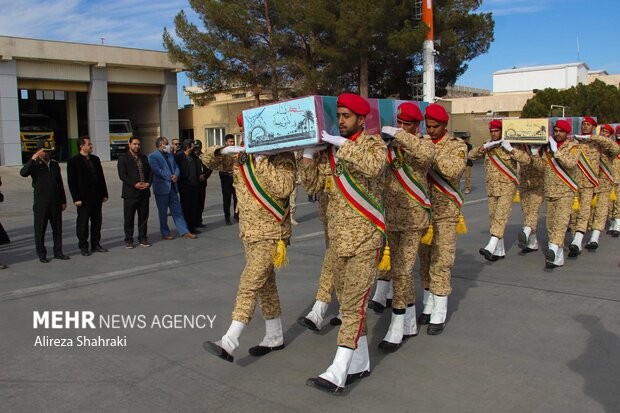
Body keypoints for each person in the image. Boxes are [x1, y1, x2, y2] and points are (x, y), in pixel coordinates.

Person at [301, 93, 387, 394]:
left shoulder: (373, 144)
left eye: (347, 116)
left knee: (351, 307)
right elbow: (311, 187)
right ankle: (360, 361)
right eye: (338, 116)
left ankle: (337, 370)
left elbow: (375, 167)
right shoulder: (331, 151)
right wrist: (309, 156)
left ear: (361, 119)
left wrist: (344, 146)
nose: (341, 121)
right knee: (352, 305)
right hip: (337, 241)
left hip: (366, 239)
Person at [202, 137, 296, 364]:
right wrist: (222, 149)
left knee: (249, 282)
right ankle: (274, 335)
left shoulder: (282, 155)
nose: (248, 135)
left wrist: (262, 160)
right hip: (249, 232)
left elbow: (284, 188)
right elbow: (209, 162)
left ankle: (230, 340)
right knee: (265, 285)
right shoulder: (242, 155)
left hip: (271, 233)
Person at [376, 102, 435, 351]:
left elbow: (427, 156)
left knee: (401, 270)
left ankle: (397, 324)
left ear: (417, 125)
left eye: (407, 124)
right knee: (402, 271)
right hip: (390, 219)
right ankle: (410, 321)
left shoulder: (423, 143)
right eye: (399, 123)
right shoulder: (390, 146)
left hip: (413, 219)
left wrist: (399, 136)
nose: (401, 127)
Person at [417, 104, 467, 335]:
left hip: (446, 212)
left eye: (435, 127)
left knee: (442, 260)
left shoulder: (456, 146)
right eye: (428, 126)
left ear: (445, 126)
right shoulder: (423, 141)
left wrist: (429, 153)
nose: (431, 130)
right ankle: (428, 302)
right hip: (423, 211)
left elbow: (453, 171)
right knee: (425, 260)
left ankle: (440, 311)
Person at [469, 120, 530, 261]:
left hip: (507, 186)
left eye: (496, 131)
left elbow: (526, 159)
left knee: (501, 216)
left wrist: (510, 149)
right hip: (491, 187)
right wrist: (484, 147)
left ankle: (491, 245)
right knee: (493, 217)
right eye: (492, 131)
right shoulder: (489, 145)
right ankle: (499, 250)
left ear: (503, 131)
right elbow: (470, 155)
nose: (493, 133)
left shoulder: (512, 145)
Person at [568, 117, 619, 257]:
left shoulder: (602, 143)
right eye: (583, 124)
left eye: (588, 124)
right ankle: (577, 238)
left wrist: (597, 137)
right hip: (583, 181)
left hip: (603, 181)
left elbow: (615, 149)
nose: (585, 126)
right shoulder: (577, 141)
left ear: (594, 127)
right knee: (581, 210)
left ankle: (594, 237)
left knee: (601, 210)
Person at [20, 139, 69, 263]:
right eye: (45, 152)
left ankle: (58, 252)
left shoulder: (54, 164)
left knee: (57, 229)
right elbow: (23, 173)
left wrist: (63, 201)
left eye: (49, 152)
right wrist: (33, 158)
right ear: (39, 151)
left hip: (55, 202)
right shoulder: (35, 164)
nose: (48, 154)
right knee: (40, 229)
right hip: (41, 203)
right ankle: (42, 254)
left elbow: (59, 183)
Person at [543, 120, 579, 269]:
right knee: (550, 224)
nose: (557, 133)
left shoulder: (573, 147)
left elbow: (571, 164)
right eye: (556, 130)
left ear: (567, 133)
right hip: (550, 190)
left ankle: (553, 249)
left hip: (565, 191)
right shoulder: (548, 148)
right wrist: (534, 154)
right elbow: (542, 167)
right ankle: (557, 257)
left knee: (561, 222)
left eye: (561, 131)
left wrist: (556, 152)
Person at [147, 137, 197, 240]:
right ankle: (165, 232)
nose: (168, 146)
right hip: (162, 188)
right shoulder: (153, 156)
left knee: (177, 210)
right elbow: (157, 170)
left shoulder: (170, 155)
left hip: (172, 187)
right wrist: (170, 176)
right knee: (163, 212)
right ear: (161, 145)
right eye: (166, 144)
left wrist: (176, 175)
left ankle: (184, 231)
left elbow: (176, 167)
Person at [67, 136, 109, 256]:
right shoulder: (74, 161)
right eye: (89, 144)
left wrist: (104, 193)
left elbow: (101, 177)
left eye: (91, 144)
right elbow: (72, 182)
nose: (91, 146)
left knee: (97, 222)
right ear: (82, 146)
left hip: (97, 196)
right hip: (83, 198)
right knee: (83, 223)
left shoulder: (95, 159)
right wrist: (76, 198)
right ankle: (83, 245)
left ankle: (95, 244)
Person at [586, 124, 620, 248]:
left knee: (605, 207)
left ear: (610, 135)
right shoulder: (593, 144)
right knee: (588, 209)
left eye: (607, 132)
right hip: (591, 181)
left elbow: (614, 149)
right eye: (602, 131)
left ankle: (596, 236)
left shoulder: (612, 146)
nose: (604, 134)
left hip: (606, 182)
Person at [117, 136, 153, 248]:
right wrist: (134, 184)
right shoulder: (123, 158)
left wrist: (148, 183)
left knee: (143, 217)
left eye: (138, 144)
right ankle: (129, 240)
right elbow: (122, 175)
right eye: (134, 144)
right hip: (130, 193)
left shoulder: (144, 157)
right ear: (129, 145)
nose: (137, 146)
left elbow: (150, 172)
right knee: (129, 218)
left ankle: (143, 238)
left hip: (144, 193)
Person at [517, 142, 545, 253]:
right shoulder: (520, 145)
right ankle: (533, 242)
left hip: (539, 183)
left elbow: (542, 167)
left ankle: (526, 230)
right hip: (524, 183)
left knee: (534, 210)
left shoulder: (543, 146)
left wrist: (535, 153)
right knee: (527, 211)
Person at [176, 140, 206, 234]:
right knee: (186, 208)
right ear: (188, 147)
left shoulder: (194, 157)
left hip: (195, 185)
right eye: (192, 146)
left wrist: (200, 175)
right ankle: (185, 228)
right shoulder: (179, 157)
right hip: (185, 186)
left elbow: (198, 168)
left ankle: (192, 226)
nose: (194, 148)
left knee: (194, 207)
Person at [220, 134, 238, 225]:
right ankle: (227, 217)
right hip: (226, 178)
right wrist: (227, 173)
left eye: (233, 141)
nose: (232, 143)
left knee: (236, 198)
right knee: (227, 199)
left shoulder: (236, 152)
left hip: (236, 178)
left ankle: (236, 214)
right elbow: (219, 167)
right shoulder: (223, 153)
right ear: (226, 142)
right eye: (230, 142)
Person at [193, 140, 212, 228]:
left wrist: (205, 176)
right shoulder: (191, 156)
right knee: (194, 203)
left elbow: (210, 167)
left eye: (198, 147)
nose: (196, 149)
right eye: (195, 147)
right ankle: (194, 221)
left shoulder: (204, 156)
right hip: (194, 182)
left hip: (202, 182)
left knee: (201, 203)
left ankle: (199, 221)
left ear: (201, 147)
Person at [609, 125, 620, 237]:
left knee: (618, 203)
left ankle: (617, 225)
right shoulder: (612, 147)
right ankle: (612, 223)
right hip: (610, 179)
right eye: (618, 133)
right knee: (610, 203)